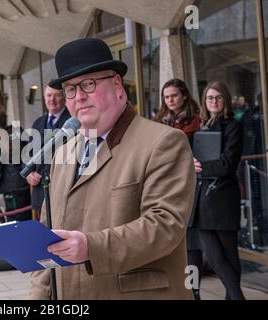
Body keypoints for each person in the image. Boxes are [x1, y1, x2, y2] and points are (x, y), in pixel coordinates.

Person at [30, 38, 196, 299]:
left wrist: (90, 247)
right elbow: (46, 237)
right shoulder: (62, 152)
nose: (79, 96)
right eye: (70, 89)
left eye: (89, 84)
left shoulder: (163, 142)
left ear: (117, 85)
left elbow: (165, 226)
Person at [191, 81, 245, 300]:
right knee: (213, 257)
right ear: (204, 101)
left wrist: (201, 166)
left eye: (218, 97)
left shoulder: (233, 125)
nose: (213, 101)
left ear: (225, 100)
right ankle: (237, 296)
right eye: (209, 98)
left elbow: (228, 163)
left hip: (223, 197)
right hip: (203, 197)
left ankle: (233, 297)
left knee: (230, 255)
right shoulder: (202, 125)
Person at [154, 78, 202, 299]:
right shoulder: (158, 123)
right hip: (164, 188)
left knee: (191, 246)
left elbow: (202, 154)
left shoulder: (197, 123)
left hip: (192, 187)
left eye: (174, 95)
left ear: (184, 95)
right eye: (166, 96)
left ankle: (195, 291)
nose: (170, 100)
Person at [26, 85, 71, 217]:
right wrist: (29, 172)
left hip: (63, 191)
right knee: (44, 235)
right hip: (41, 192)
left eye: (56, 95)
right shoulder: (38, 123)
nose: (52, 99)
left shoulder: (73, 122)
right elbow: (28, 155)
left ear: (64, 97)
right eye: (48, 95)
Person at [0, 109, 31, 221]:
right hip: (26, 182)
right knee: (27, 217)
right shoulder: (18, 132)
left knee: (14, 219)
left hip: (11, 186)